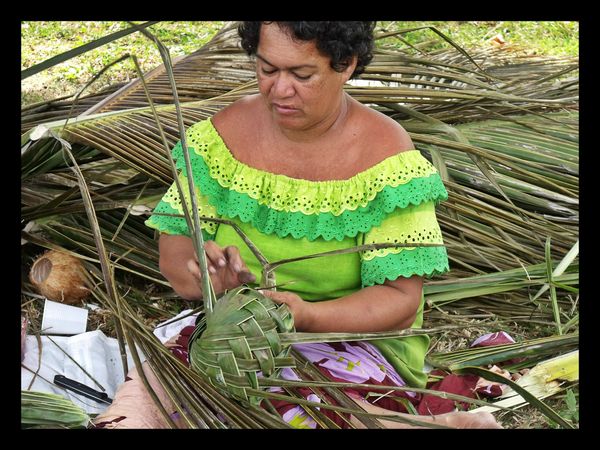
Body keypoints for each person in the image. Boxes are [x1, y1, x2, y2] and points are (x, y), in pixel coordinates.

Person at [95, 21, 502, 429]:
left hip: (346, 342)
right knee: (140, 406)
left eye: (302, 75)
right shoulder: (219, 139)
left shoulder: (386, 157)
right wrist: (204, 278)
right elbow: (177, 253)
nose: (279, 90)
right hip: (233, 338)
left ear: (346, 66)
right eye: (267, 69)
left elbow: (399, 299)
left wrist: (304, 315)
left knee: (288, 406)